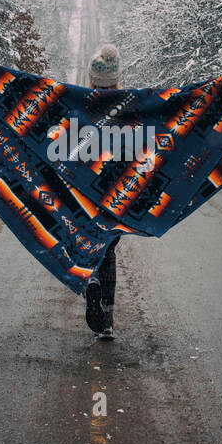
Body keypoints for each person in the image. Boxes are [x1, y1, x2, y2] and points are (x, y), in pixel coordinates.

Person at [85, 43, 121, 339]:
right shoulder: (132, 108)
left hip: (85, 192)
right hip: (116, 193)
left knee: (87, 245)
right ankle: (107, 317)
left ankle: (91, 281)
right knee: (108, 251)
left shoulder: (80, 106)